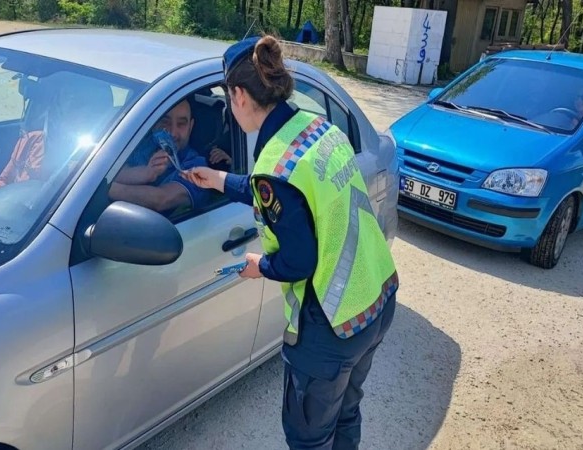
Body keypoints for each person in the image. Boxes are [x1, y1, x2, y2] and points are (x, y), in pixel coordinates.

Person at [181, 35, 399, 450]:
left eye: (229, 98)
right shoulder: (315, 128)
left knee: (308, 438)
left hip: (330, 327)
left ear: (240, 94)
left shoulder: (275, 169)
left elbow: (297, 259)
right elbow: (290, 193)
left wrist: (258, 266)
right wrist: (221, 180)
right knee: (347, 414)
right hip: (376, 298)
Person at [0, 71, 110, 190]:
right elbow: (1, 180)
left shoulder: (98, 157)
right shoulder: (32, 139)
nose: (68, 107)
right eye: (65, 100)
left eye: (77, 103)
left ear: (96, 112)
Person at [108, 98, 210, 215]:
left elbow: (161, 199)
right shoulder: (140, 143)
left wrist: (105, 190)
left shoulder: (197, 167)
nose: (172, 132)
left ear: (190, 127)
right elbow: (113, 171)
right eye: (165, 122)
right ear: (154, 123)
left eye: (181, 124)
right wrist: (144, 173)